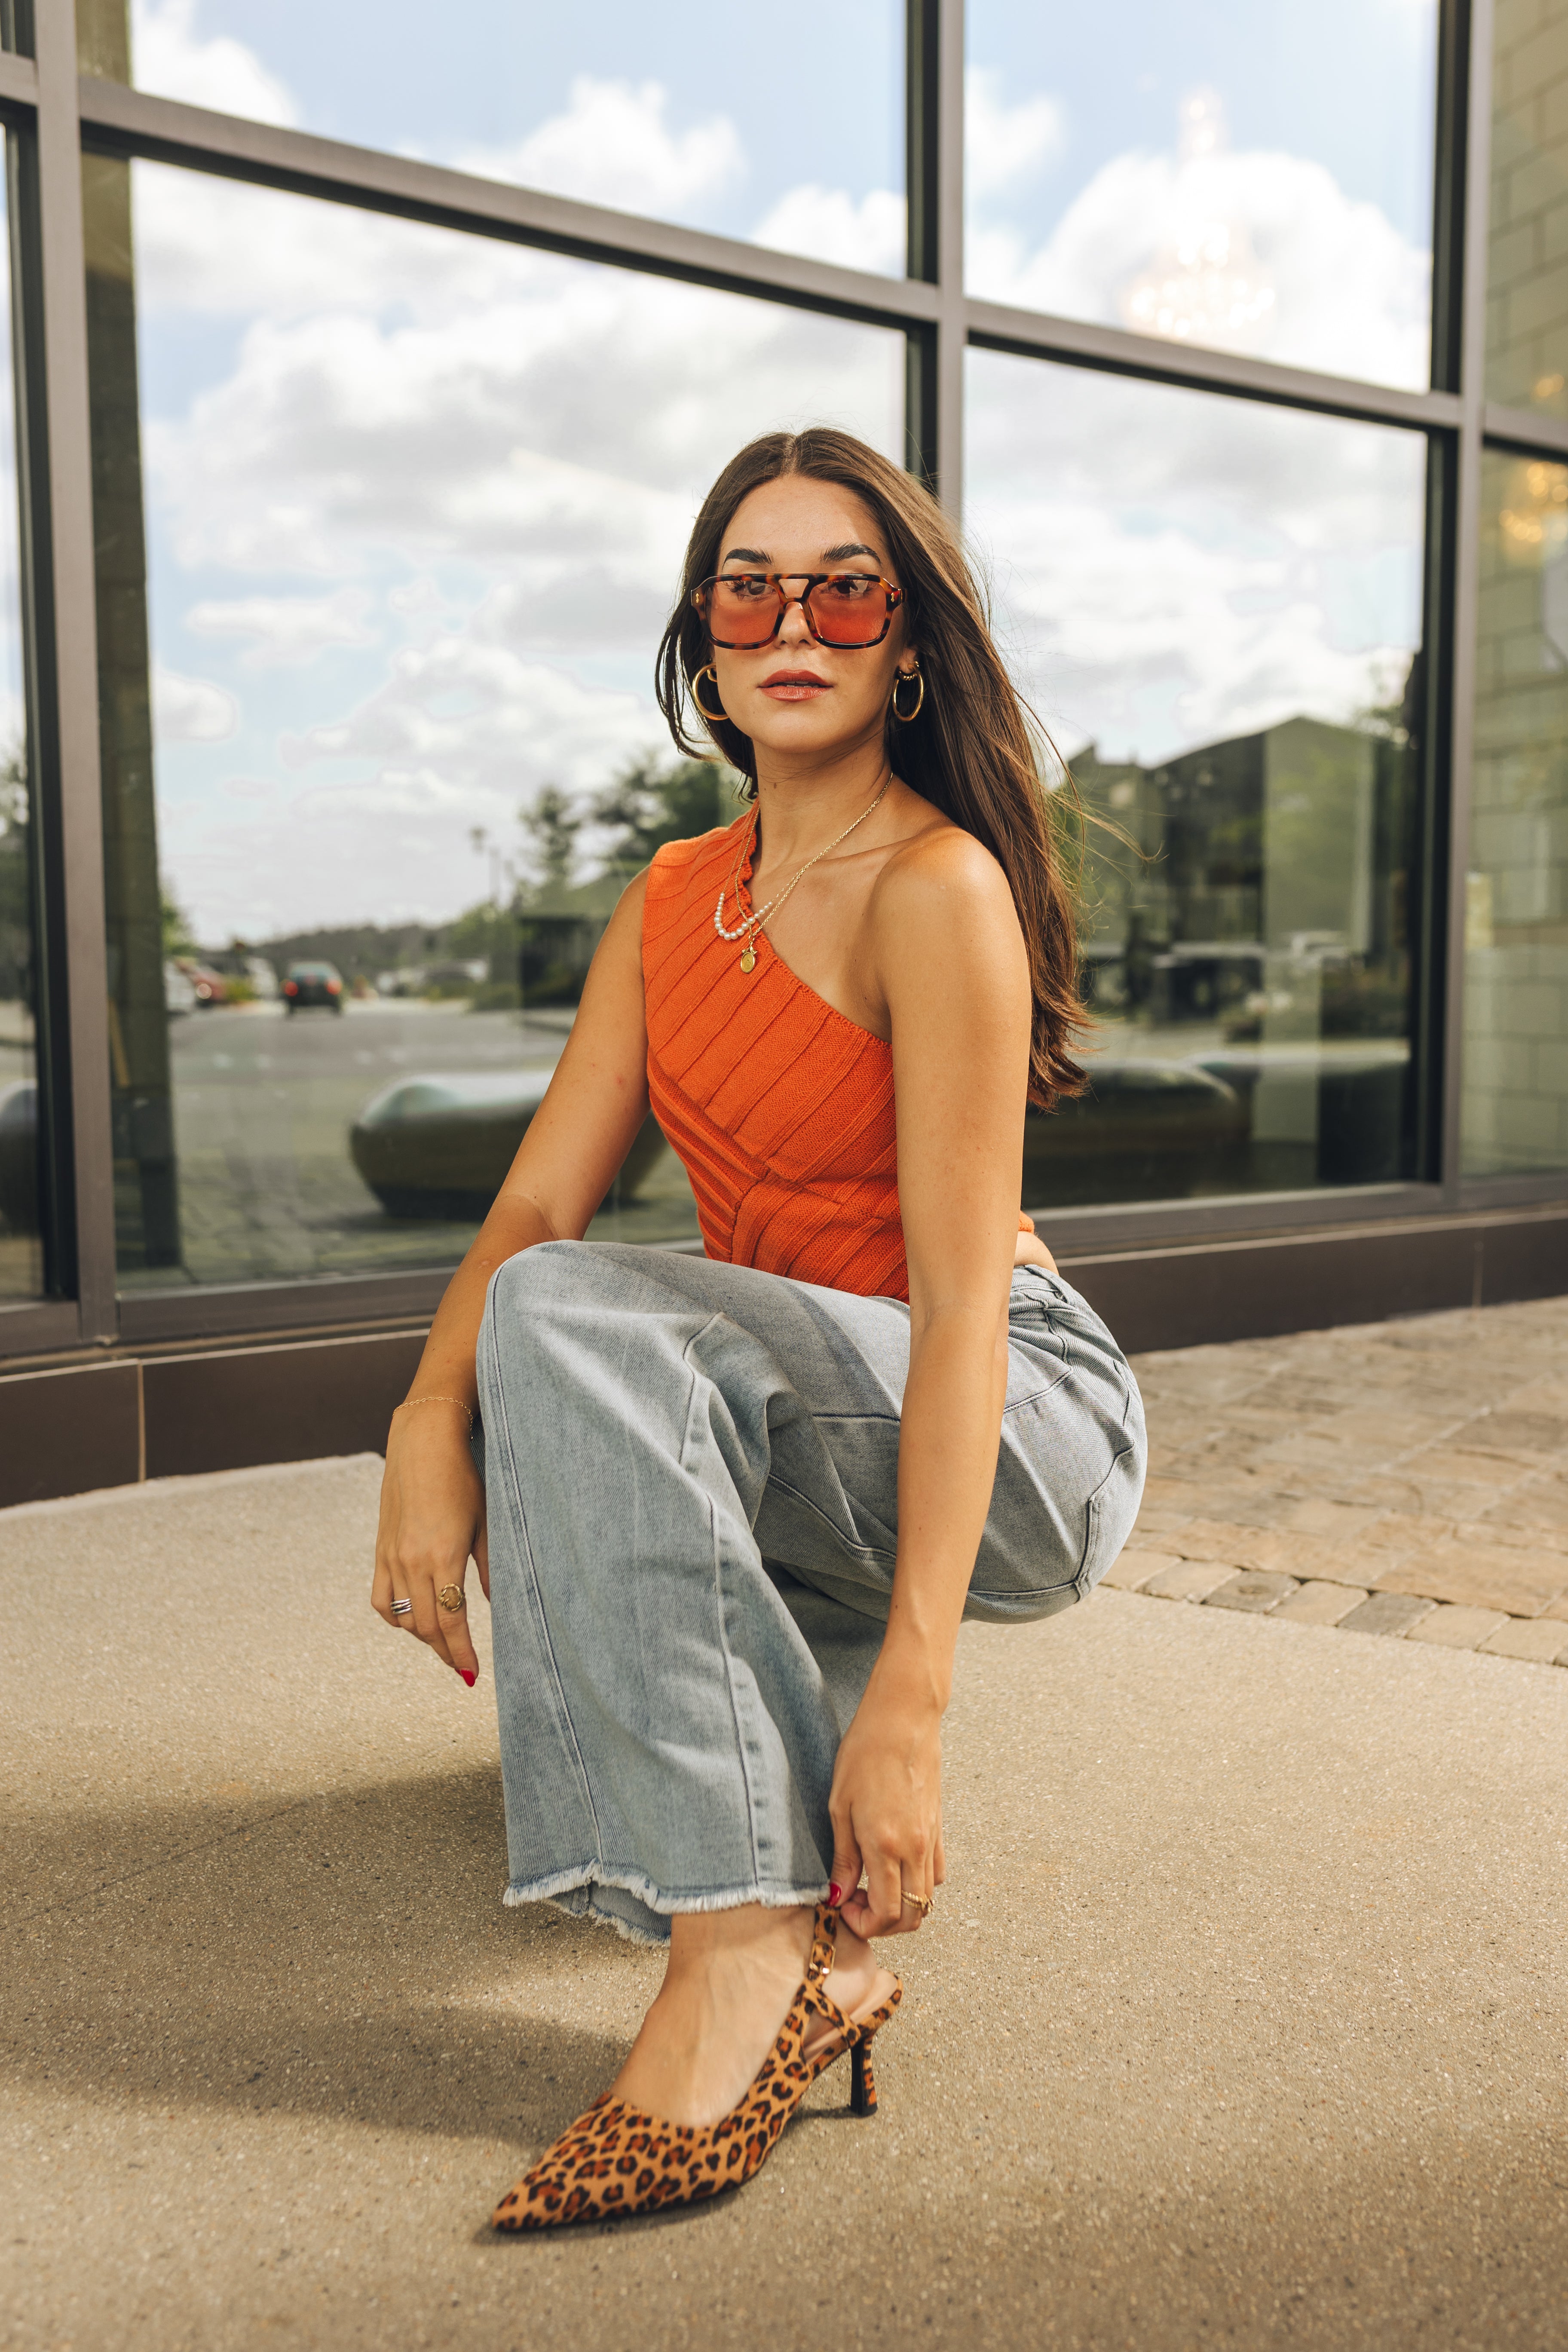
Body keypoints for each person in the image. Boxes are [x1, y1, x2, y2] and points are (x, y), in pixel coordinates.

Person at [371, 427, 1147, 2229]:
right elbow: (539, 1205)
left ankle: (738, 1961)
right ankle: (827, 1967)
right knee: (543, 1320)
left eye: (845, 585)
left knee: (564, 1328)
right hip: (819, 1407)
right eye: (750, 582)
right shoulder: (667, 903)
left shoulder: (933, 888)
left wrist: (913, 1712)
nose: (792, 616)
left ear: (907, 643)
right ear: (705, 637)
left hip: (1015, 1413)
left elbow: (960, 1311)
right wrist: (425, 1416)